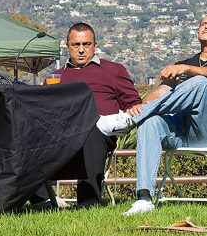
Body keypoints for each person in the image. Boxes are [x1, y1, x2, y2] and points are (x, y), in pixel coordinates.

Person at [96, 14, 207, 216]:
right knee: (151, 122)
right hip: (184, 133)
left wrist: (187, 70)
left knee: (200, 82)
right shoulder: (184, 63)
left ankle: (130, 122)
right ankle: (144, 199)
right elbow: (160, 93)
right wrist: (140, 107)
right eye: (203, 24)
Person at [48, 22, 141, 208]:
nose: (81, 50)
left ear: (94, 45)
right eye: (76, 45)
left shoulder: (113, 71)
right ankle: (42, 199)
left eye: (86, 44)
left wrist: (135, 108)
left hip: (97, 132)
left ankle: (88, 202)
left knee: (91, 130)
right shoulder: (55, 76)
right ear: (68, 47)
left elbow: (133, 103)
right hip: (62, 135)